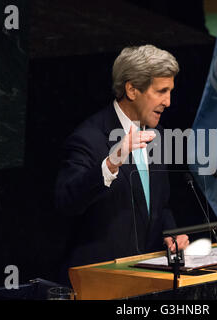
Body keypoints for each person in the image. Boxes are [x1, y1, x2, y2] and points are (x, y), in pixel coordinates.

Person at [55, 45, 189, 284]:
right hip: (98, 281)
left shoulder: (156, 134)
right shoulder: (89, 137)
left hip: (147, 279)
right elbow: (67, 203)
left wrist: (171, 234)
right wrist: (111, 162)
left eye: (170, 91)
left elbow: (160, 204)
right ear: (132, 89)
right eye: (161, 91)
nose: (168, 102)